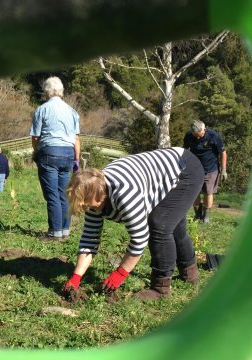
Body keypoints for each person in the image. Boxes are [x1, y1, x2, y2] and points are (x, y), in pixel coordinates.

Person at [62, 147, 204, 300]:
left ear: (97, 195)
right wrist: (76, 277)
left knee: (160, 225)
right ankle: (190, 275)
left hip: (185, 170)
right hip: (165, 171)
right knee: (173, 224)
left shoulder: (124, 193)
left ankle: (160, 288)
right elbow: (90, 239)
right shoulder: (93, 198)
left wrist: (120, 273)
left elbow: (139, 239)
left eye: (86, 205)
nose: (85, 208)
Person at [30, 76, 81, 241]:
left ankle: (54, 232)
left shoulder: (42, 110)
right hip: (68, 153)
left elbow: (35, 137)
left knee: (51, 193)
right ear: (61, 91)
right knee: (63, 193)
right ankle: (65, 230)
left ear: (47, 92)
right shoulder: (72, 111)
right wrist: (76, 160)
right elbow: (76, 139)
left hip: (49, 151)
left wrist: (35, 152)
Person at [183, 120, 228, 224]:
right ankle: (197, 214)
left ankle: (206, 216)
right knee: (194, 192)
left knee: (208, 192)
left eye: (200, 135)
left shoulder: (214, 136)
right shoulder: (189, 136)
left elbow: (223, 153)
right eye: (196, 136)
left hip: (210, 169)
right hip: (194, 168)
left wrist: (224, 170)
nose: (198, 138)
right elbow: (185, 151)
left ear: (204, 129)